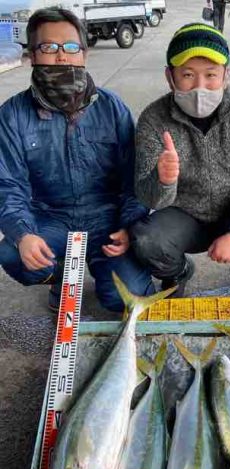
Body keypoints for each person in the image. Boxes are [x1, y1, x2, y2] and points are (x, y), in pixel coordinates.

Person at [0, 8, 154, 313]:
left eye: (71, 47)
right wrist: (24, 233)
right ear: (32, 55)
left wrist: (129, 226)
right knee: (12, 253)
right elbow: (8, 185)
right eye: (49, 47)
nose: (61, 57)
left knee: (128, 300)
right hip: (50, 217)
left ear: (83, 54)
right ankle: (58, 277)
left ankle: (111, 272)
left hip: (106, 219)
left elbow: (133, 177)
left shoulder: (112, 107)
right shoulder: (13, 114)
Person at [130, 23, 230, 302]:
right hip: (184, 214)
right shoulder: (153, 119)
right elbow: (146, 195)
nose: (200, 87)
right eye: (188, 75)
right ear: (170, 77)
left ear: (226, 75)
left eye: (211, 75)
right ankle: (176, 273)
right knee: (147, 240)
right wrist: (162, 181)